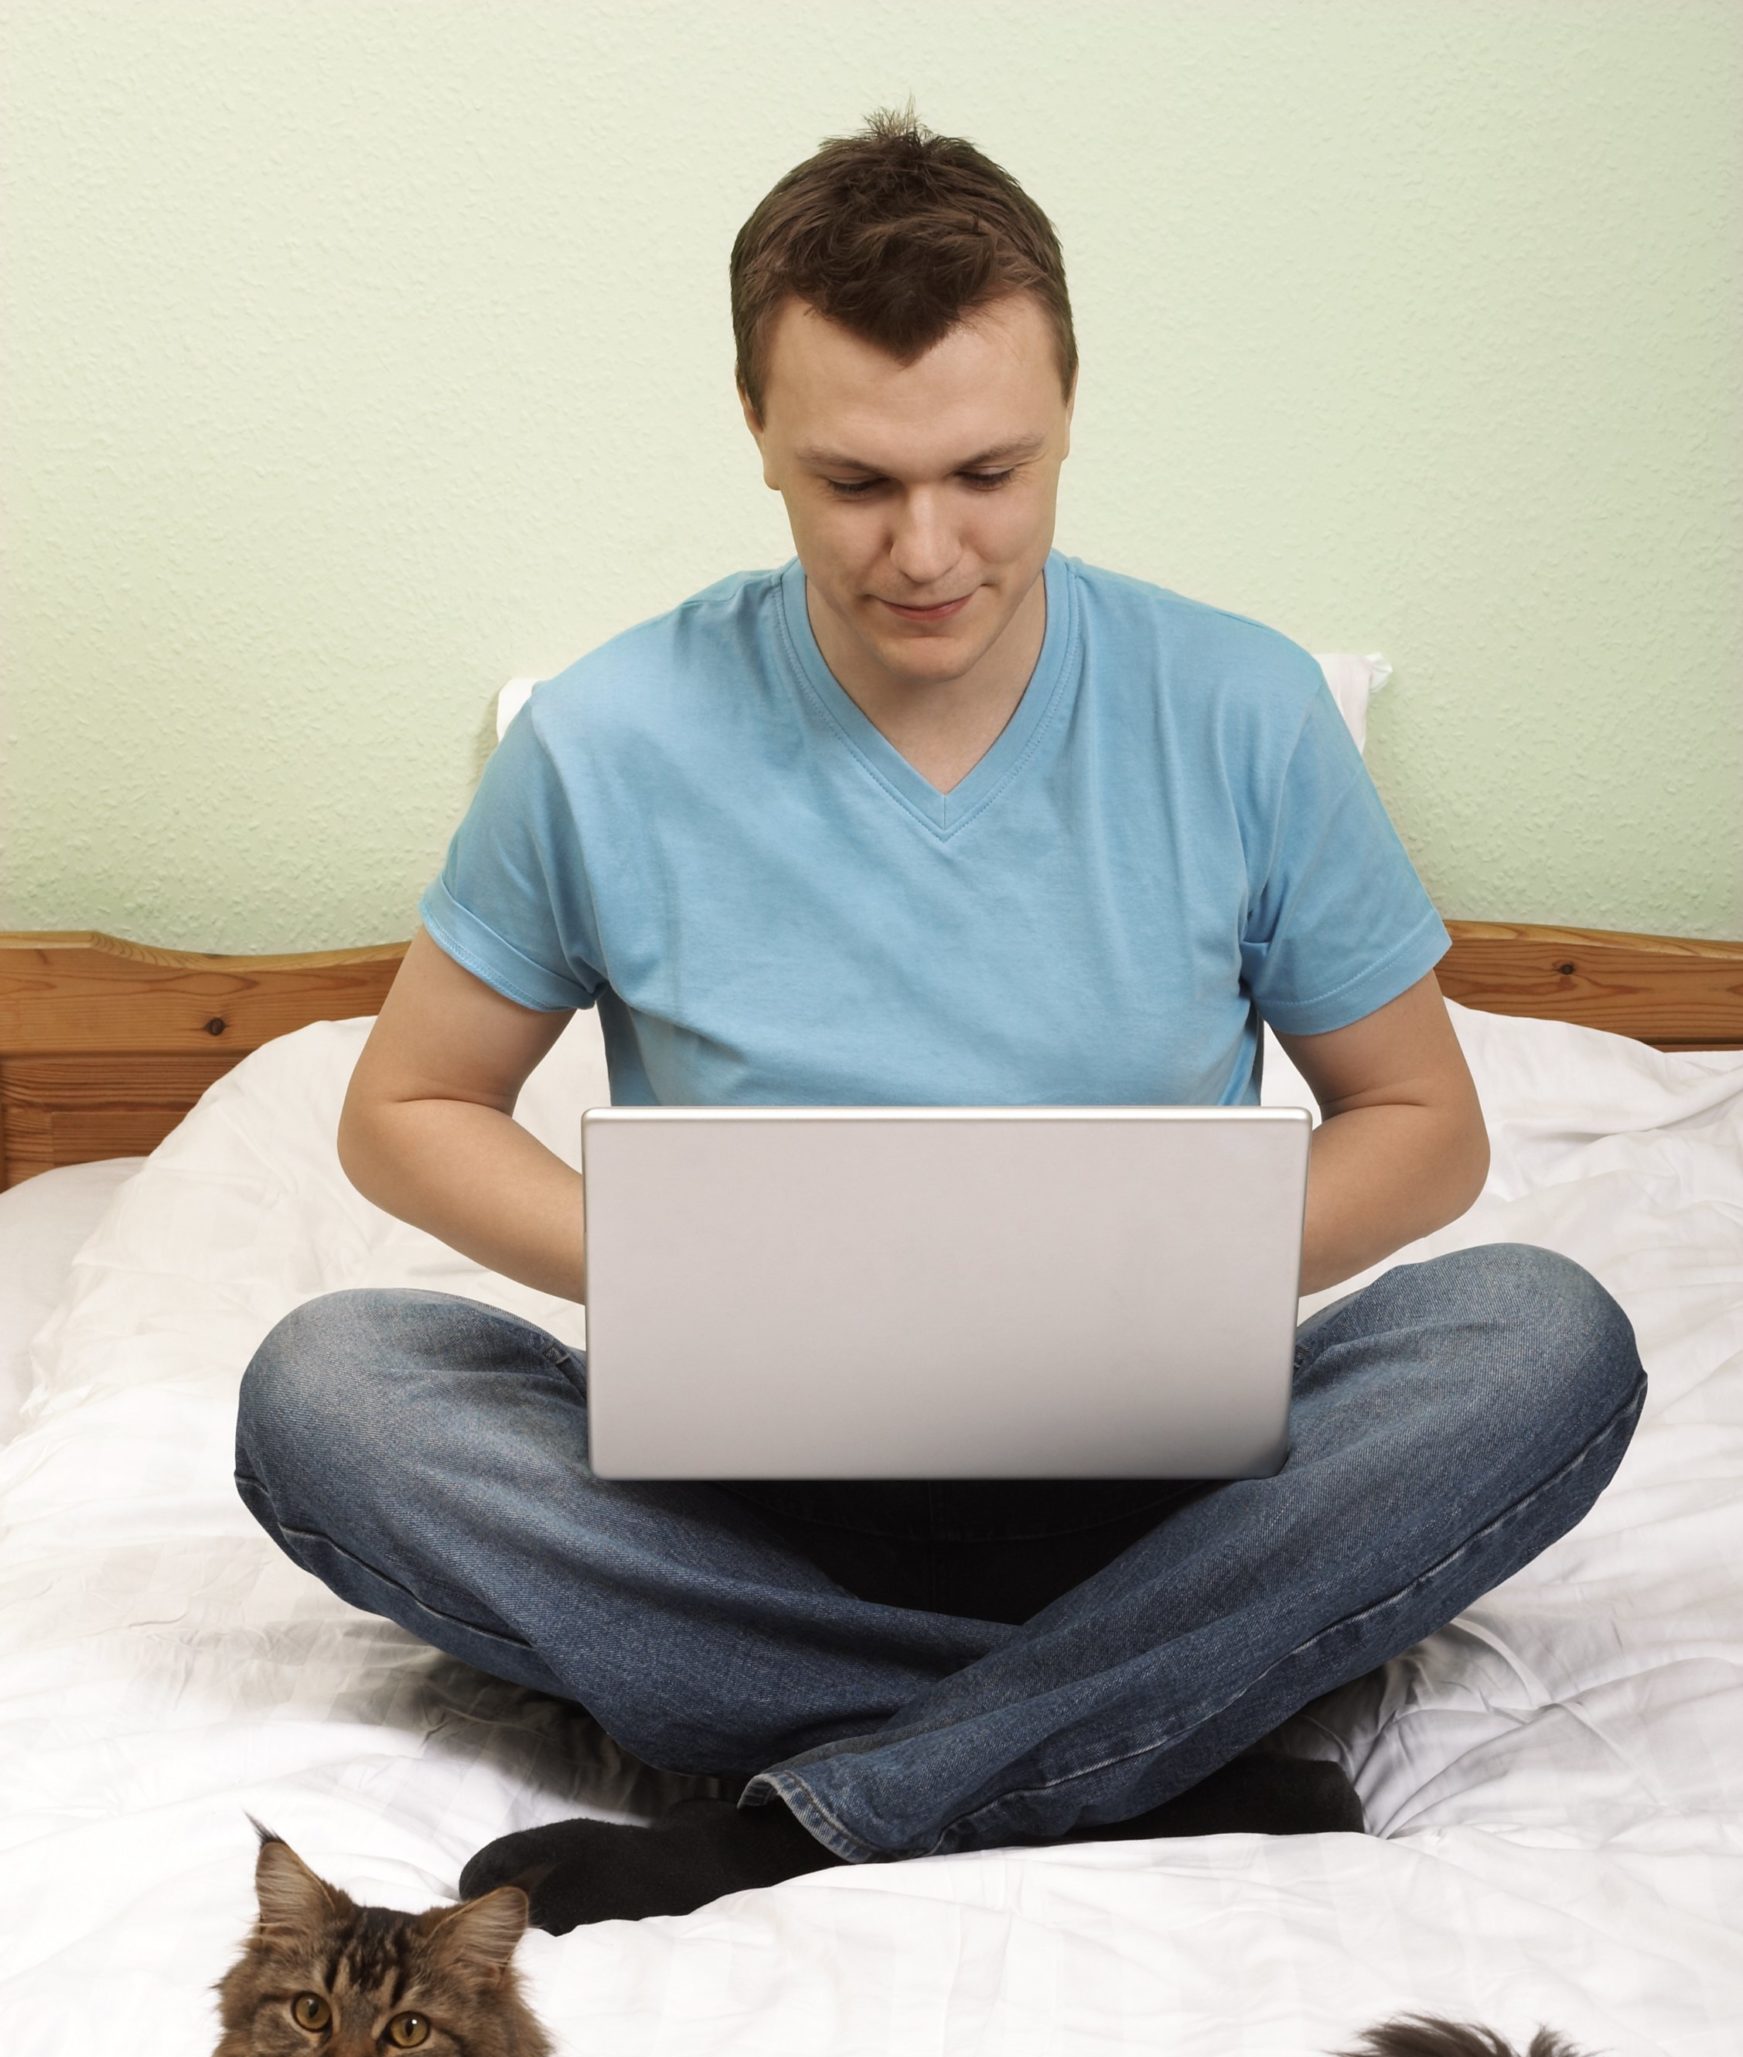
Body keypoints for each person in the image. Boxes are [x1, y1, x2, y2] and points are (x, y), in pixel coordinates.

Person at [233, 106, 1647, 1933]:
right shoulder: (605, 737)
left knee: (1543, 1336)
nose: (926, 549)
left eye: (989, 474)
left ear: (1070, 412)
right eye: (855, 484)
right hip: (741, 1508)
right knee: (329, 1392)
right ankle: (1128, 1736)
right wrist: (692, 1271)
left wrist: (1160, 1274)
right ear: (757, 429)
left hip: (1167, 1487)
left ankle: (825, 1808)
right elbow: (405, 1109)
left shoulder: (1241, 708)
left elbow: (1426, 1125)